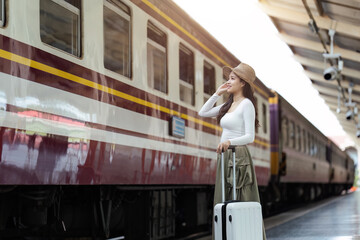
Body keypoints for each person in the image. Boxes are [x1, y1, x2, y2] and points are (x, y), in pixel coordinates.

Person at [198, 62, 266, 240]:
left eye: (232, 78)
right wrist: (217, 93)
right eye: (228, 78)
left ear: (243, 83)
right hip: (225, 155)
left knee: (242, 199)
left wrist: (229, 142)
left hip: (238, 156)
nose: (228, 82)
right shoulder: (227, 106)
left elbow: (250, 137)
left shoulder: (247, 105)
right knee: (223, 200)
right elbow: (202, 112)